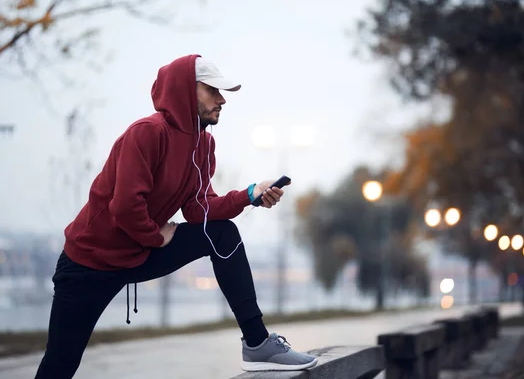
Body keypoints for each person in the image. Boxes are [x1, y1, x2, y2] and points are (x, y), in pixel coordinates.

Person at [34, 54, 318, 378]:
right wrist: (156, 237)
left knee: (222, 233)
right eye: (212, 90)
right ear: (186, 90)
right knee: (60, 364)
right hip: (89, 265)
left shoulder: (203, 145)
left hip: (140, 253)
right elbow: (125, 206)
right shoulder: (147, 133)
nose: (222, 100)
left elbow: (199, 209)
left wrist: (250, 195)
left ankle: (257, 343)